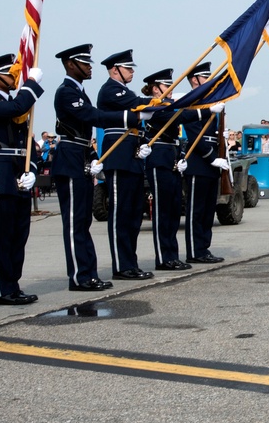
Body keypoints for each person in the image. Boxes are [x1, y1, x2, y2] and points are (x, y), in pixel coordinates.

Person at [53, 44, 142, 291]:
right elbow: (93, 117)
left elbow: (84, 128)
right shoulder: (66, 92)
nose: (90, 66)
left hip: (80, 156)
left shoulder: (79, 91)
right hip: (69, 158)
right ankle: (79, 277)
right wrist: (132, 117)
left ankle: (87, 274)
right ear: (71, 64)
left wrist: (92, 155)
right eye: (84, 62)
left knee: (83, 222)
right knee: (75, 223)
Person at [0, 53, 45, 306]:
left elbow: (28, 143)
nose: (15, 76)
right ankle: (0, 289)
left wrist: (33, 169)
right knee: (2, 236)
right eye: (10, 73)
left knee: (19, 235)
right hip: (1, 176)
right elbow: (15, 109)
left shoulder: (19, 104)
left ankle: (13, 285)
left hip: (19, 173)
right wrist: (30, 85)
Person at [97, 49, 155, 281]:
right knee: (121, 214)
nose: (132, 72)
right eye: (128, 68)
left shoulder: (123, 90)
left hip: (130, 154)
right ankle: (122, 265)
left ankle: (130, 262)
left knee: (133, 215)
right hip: (118, 155)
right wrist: (161, 102)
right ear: (115, 70)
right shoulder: (111, 90)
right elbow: (137, 104)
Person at [140, 69, 191, 271]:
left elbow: (175, 136)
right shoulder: (155, 106)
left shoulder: (169, 105)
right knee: (162, 211)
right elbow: (176, 116)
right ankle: (163, 257)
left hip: (171, 158)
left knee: (173, 210)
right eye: (167, 86)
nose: (170, 90)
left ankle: (172, 255)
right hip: (159, 159)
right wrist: (205, 110)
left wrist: (180, 157)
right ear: (155, 88)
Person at [181, 62, 230, 263]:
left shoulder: (210, 100)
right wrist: (211, 157)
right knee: (197, 209)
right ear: (194, 79)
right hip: (198, 160)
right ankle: (194, 251)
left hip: (212, 160)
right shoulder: (192, 101)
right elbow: (194, 135)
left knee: (209, 209)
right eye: (205, 77)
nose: (208, 81)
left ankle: (203, 248)